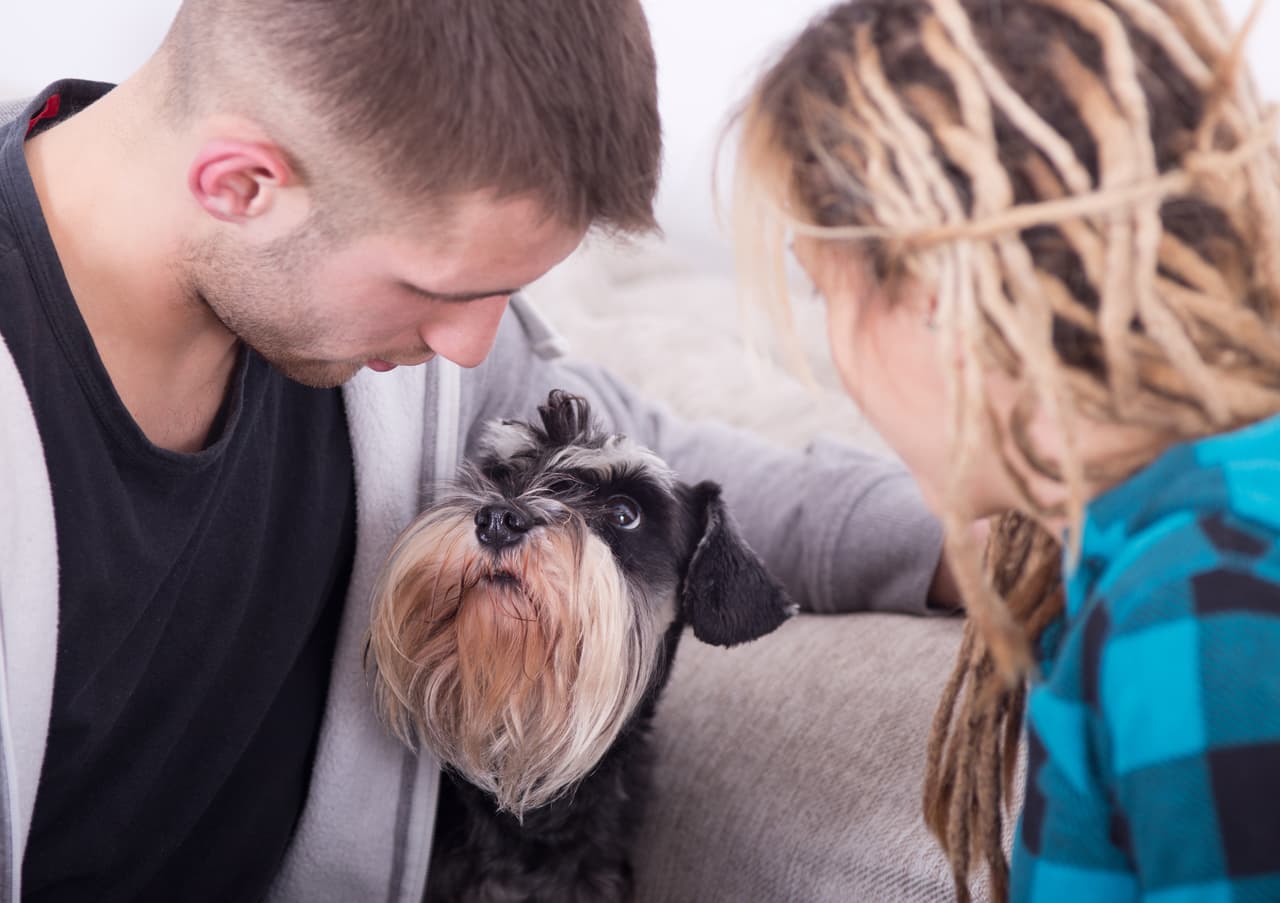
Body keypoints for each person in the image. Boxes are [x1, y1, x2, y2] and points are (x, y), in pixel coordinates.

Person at [0, 1, 962, 900]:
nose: (471, 350)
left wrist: (983, 541)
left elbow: (677, 469)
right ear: (242, 185)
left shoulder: (395, 346)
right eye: (446, 287)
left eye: (506, 292)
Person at [731, 0, 1280, 900]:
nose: (835, 349)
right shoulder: (1166, 549)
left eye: (820, 284)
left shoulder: (1197, 602)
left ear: (941, 292)